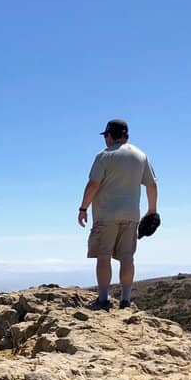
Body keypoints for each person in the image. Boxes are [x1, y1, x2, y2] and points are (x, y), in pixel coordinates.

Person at [77, 118, 158, 310]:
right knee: (127, 257)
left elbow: (93, 185)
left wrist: (83, 208)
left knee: (103, 256)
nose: (105, 139)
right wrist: (152, 211)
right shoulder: (141, 156)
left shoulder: (104, 156)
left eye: (105, 135)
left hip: (106, 215)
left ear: (110, 135)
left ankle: (103, 299)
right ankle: (125, 300)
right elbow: (152, 185)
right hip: (131, 215)